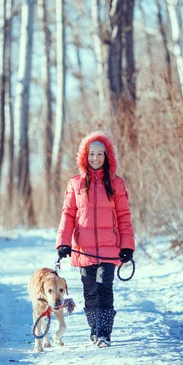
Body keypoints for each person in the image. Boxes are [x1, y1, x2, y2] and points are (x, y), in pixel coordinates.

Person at [56, 131, 135, 348]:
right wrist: (64, 243)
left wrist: (127, 245)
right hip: (84, 249)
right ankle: (94, 329)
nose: (95, 158)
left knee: (104, 287)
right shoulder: (75, 183)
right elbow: (68, 214)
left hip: (110, 248)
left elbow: (124, 216)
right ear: (84, 156)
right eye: (92, 154)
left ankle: (103, 334)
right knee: (89, 291)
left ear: (107, 156)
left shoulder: (116, 183)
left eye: (100, 154)